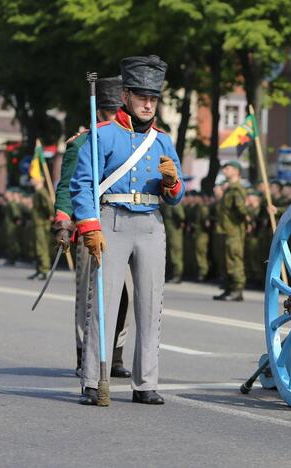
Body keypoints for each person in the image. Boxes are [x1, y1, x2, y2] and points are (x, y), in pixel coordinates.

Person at [71, 55, 183, 405]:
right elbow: (83, 183)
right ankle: (93, 380)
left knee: (151, 306)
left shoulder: (163, 141)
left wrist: (172, 182)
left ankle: (146, 382)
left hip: (150, 223)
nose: (149, 104)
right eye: (142, 97)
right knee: (102, 305)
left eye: (154, 98)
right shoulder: (103, 134)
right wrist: (90, 226)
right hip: (111, 221)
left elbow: (177, 197)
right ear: (126, 97)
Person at [54, 75, 133, 379]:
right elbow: (68, 186)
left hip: (126, 223)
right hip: (92, 224)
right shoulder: (85, 141)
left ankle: (114, 356)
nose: (116, 116)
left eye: (120, 109)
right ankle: (83, 354)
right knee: (91, 294)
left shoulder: (135, 140)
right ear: (100, 112)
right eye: (111, 111)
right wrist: (63, 221)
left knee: (125, 294)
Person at [212, 160, 248, 301]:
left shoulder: (236, 189)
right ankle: (228, 288)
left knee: (234, 259)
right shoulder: (229, 189)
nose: (225, 171)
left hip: (234, 231)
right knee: (225, 261)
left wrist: (245, 222)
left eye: (228, 168)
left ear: (236, 171)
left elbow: (241, 211)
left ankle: (237, 290)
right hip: (225, 230)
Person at [28, 175, 53, 280]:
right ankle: (39, 269)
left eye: (33, 178)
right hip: (37, 224)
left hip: (41, 224)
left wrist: (51, 215)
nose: (31, 180)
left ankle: (44, 269)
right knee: (37, 247)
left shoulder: (42, 192)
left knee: (41, 247)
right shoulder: (38, 192)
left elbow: (48, 205)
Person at [161, 196, 185, 283]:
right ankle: (172, 274)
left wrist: (178, 226)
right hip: (169, 233)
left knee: (176, 253)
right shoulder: (166, 205)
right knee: (171, 254)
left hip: (175, 234)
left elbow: (181, 217)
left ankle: (178, 275)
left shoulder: (175, 204)